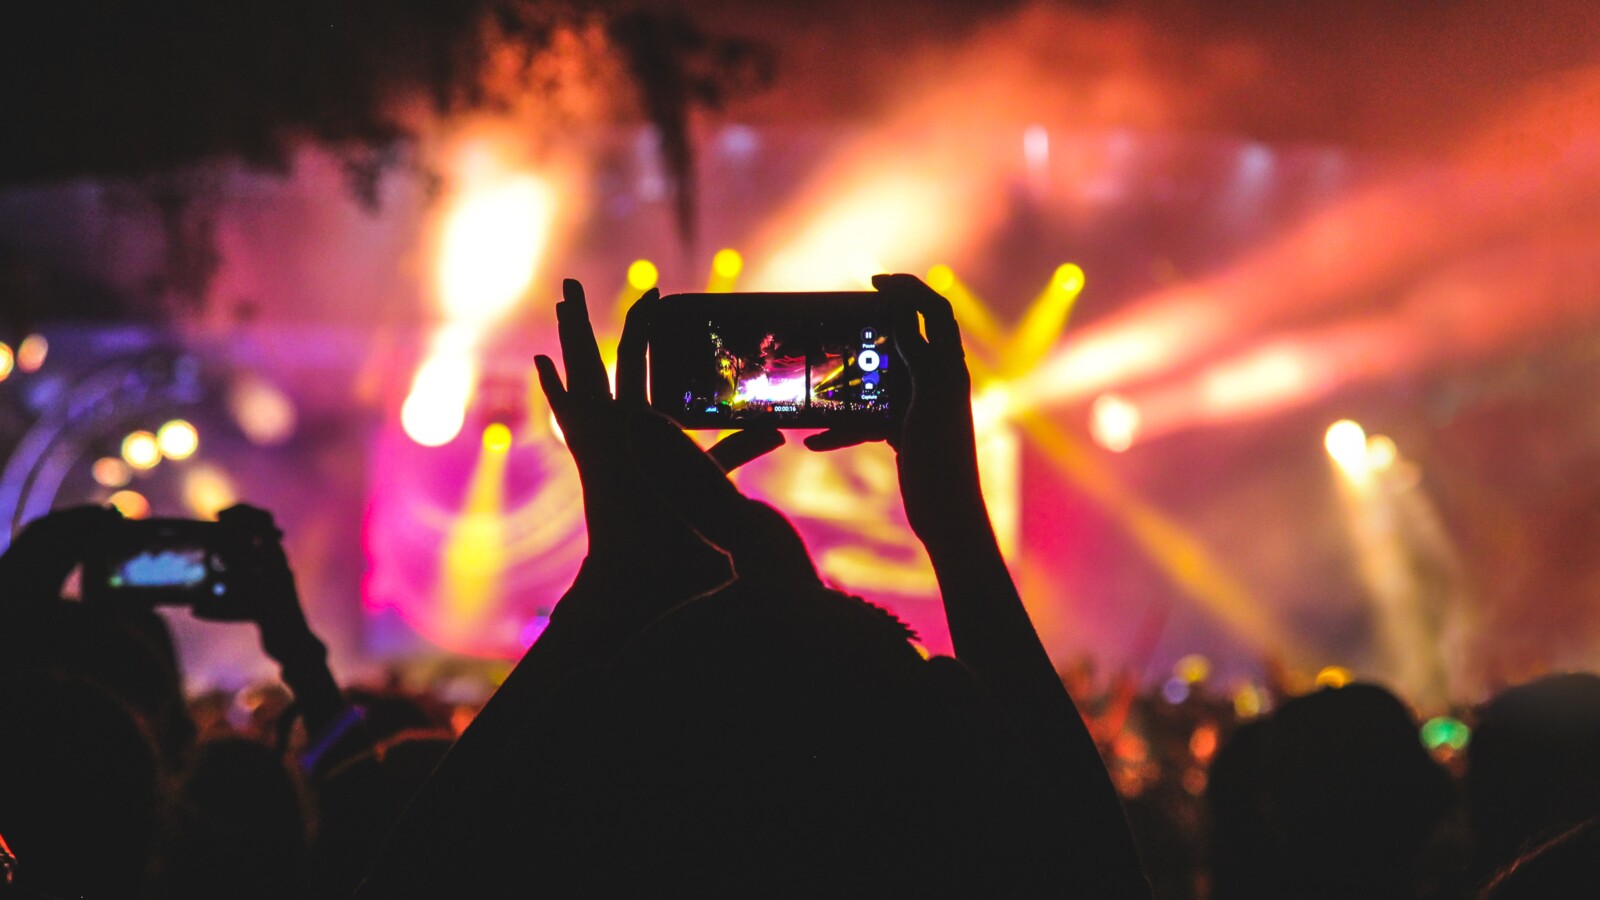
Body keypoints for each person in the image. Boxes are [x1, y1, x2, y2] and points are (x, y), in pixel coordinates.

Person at [359, 276, 1150, 896]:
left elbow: (405, 880)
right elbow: (1104, 874)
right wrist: (958, 530)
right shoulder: (943, 843)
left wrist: (611, 587)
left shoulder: (609, 842)